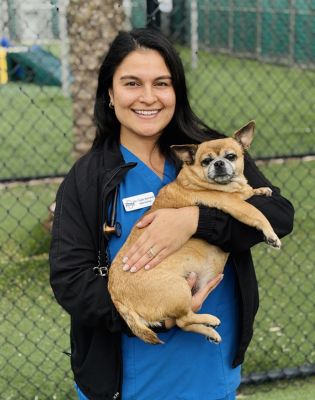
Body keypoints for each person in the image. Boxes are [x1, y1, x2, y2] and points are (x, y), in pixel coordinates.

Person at [49, 28, 294, 400]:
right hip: (129, 382)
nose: (148, 97)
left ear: (176, 92)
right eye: (132, 83)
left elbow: (278, 215)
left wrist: (195, 220)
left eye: (161, 83)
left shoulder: (210, 151)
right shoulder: (87, 179)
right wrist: (154, 316)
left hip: (212, 371)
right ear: (110, 94)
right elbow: (70, 279)